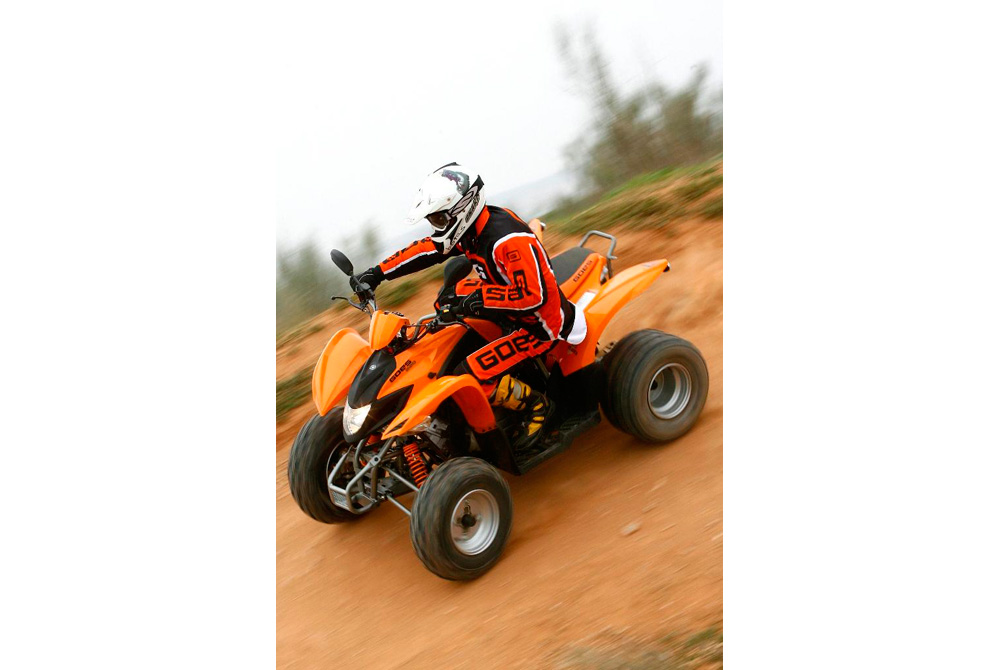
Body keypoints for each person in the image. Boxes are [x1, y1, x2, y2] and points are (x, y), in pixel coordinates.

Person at [355, 162, 587, 443]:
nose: (436, 226)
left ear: (462, 209)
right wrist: (377, 273)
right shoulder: (473, 229)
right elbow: (427, 249)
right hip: (507, 305)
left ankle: (537, 406)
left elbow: (532, 297)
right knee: (446, 304)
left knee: (469, 372)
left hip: (539, 324)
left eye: (439, 219)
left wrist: (479, 300)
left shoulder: (507, 241)